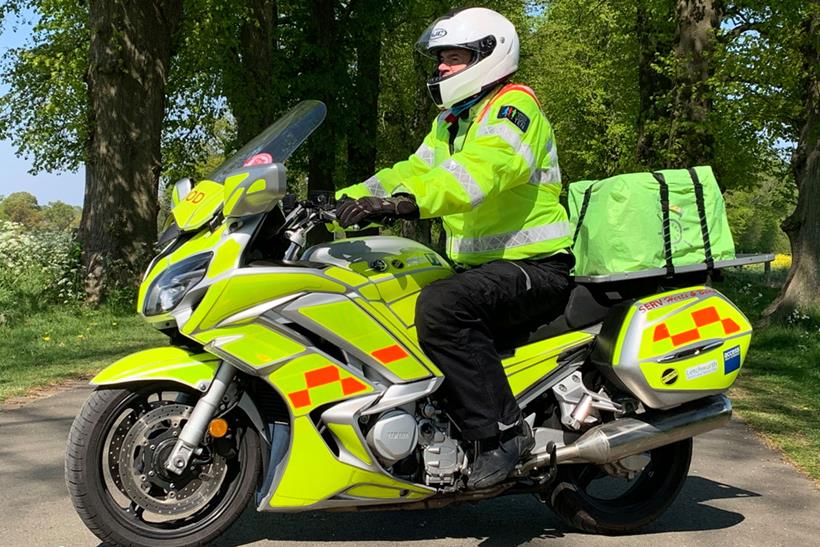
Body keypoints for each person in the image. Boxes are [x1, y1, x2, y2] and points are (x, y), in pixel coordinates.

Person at [335, 7, 574, 490]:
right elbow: (413, 170)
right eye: (440, 58)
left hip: (535, 268)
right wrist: (343, 198)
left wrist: (405, 204)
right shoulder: (453, 121)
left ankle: (503, 434)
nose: (442, 67)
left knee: (443, 307)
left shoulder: (514, 109)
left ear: (489, 56)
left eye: (454, 57)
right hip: (482, 270)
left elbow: (480, 172)